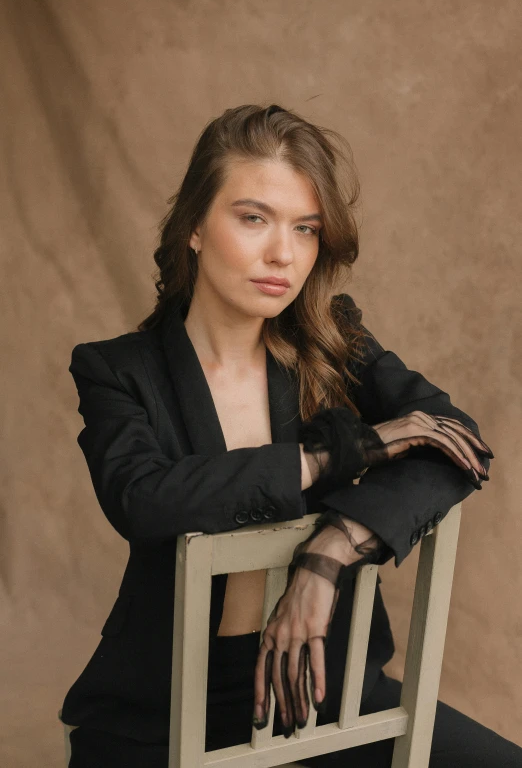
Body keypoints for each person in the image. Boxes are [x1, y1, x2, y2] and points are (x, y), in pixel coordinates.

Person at [62, 104, 521, 766]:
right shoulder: (118, 370)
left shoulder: (337, 341)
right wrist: (334, 457)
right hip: (162, 717)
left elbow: (457, 443)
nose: (284, 253)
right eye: (254, 219)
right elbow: (143, 498)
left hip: (327, 695)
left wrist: (331, 548)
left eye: (306, 228)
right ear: (194, 225)